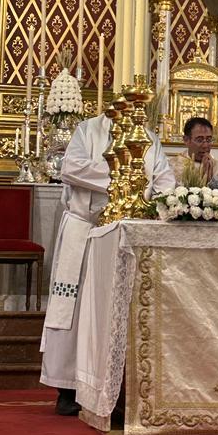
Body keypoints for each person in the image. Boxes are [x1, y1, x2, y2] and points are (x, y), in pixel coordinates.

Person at [40, 110, 176, 415]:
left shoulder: (147, 137)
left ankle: (118, 389)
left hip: (129, 234)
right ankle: (68, 387)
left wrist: (162, 200)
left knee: (118, 308)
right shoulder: (89, 130)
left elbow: (164, 179)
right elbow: (71, 167)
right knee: (76, 310)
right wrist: (123, 177)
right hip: (85, 229)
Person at [170, 116, 218, 211]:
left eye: (209, 140)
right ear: (186, 140)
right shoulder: (172, 167)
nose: (205, 145)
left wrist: (213, 181)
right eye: (199, 140)